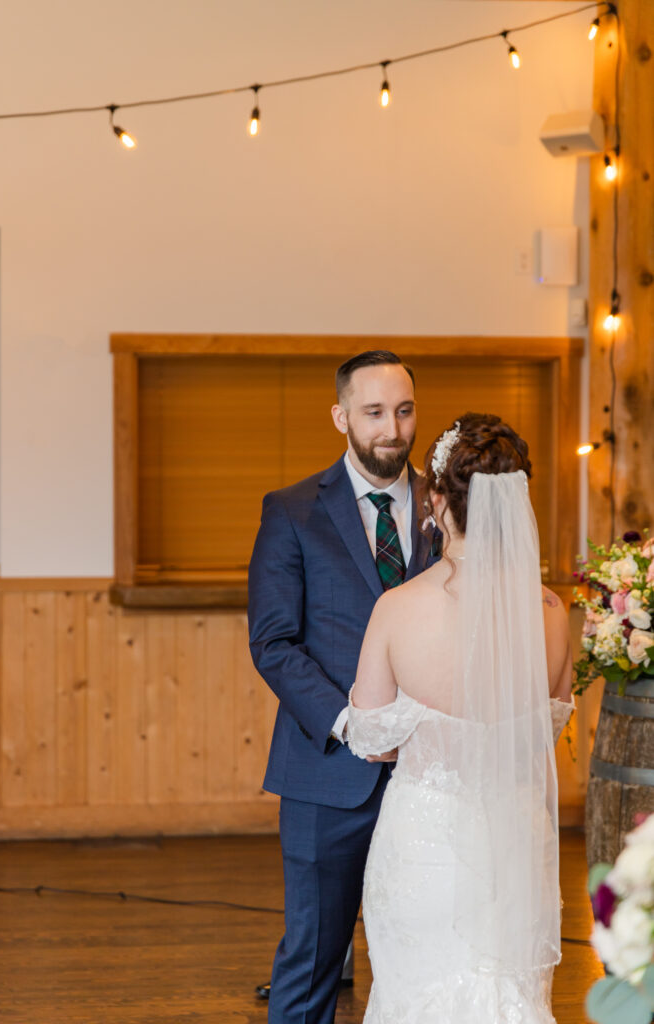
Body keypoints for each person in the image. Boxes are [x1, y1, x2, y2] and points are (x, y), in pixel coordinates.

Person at [347, 412, 575, 1024]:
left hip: (426, 847)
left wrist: (429, 739)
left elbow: (370, 740)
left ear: (438, 501)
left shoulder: (397, 609)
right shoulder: (552, 614)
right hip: (515, 843)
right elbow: (540, 732)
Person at [248, 350, 440, 1024]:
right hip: (328, 772)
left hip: (432, 776)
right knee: (312, 959)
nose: (392, 428)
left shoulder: (449, 508)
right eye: (374, 412)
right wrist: (349, 722)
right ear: (340, 416)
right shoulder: (293, 511)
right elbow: (272, 642)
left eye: (405, 409)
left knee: (426, 955)